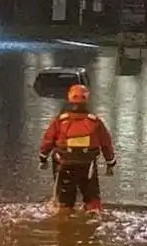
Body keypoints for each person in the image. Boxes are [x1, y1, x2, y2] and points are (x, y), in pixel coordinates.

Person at [38, 84, 116, 214]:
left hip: (64, 163)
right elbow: (106, 144)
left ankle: (65, 217)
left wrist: (43, 158)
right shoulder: (95, 121)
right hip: (88, 165)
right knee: (92, 200)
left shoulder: (60, 121)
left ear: (69, 98)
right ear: (87, 99)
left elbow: (48, 141)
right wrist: (110, 163)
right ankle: (93, 216)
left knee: (64, 203)